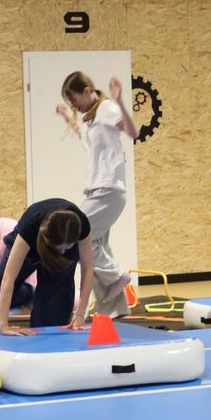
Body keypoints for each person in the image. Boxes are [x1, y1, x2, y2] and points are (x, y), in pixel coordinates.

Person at [55, 72, 139, 319]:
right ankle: (113, 309)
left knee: (78, 236)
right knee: (98, 246)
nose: (75, 106)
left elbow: (133, 132)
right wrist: (69, 119)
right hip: (97, 188)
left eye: (75, 100)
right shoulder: (92, 118)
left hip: (109, 189)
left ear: (88, 91)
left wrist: (120, 101)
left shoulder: (107, 108)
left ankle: (116, 275)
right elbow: (88, 141)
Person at [0, 199, 94, 337]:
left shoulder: (81, 225)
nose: (61, 252)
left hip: (60, 246)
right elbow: (8, 278)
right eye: (58, 248)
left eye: (66, 247)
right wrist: (3, 325)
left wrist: (80, 314)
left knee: (52, 317)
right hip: (33, 242)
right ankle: (30, 295)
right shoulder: (30, 226)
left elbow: (88, 268)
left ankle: (43, 310)